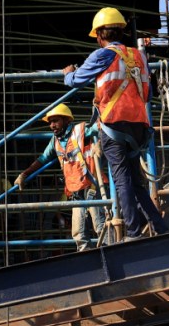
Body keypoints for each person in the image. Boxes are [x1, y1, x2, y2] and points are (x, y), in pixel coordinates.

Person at [62, 7, 169, 240]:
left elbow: (76, 81)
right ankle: (160, 227)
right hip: (139, 127)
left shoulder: (102, 55)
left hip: (114, 127)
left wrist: (68, 73)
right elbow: (148, 94)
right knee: (136, 182)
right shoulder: (139, 57)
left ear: (100, 34)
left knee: (122, 180)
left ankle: (133, 232)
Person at [15, 103, 107, 251]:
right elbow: (43, 159)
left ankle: (112, 253)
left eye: (56, 121)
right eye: (50, 122)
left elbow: (104, 127)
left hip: (91, 186)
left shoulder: (80, 130)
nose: (52, 125)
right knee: (78, 233)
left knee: (101, 225)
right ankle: (87, 261)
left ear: (66, 120)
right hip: (76, 192)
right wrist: (24, 174)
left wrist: (100, 144)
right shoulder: (55, 141)